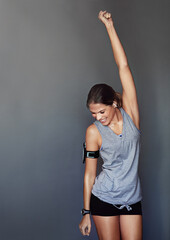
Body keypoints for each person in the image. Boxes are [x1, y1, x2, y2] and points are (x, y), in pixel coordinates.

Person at [79, 10, 143, 240]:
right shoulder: (93, 132)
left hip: (131, 198)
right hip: (104, 198)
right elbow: (89, 175)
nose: (98, 117)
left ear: (114, 103)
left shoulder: (131, 115)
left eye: (101, 111)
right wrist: (86, 212)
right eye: (93, 113)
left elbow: (123, 66)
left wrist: (109, 27)